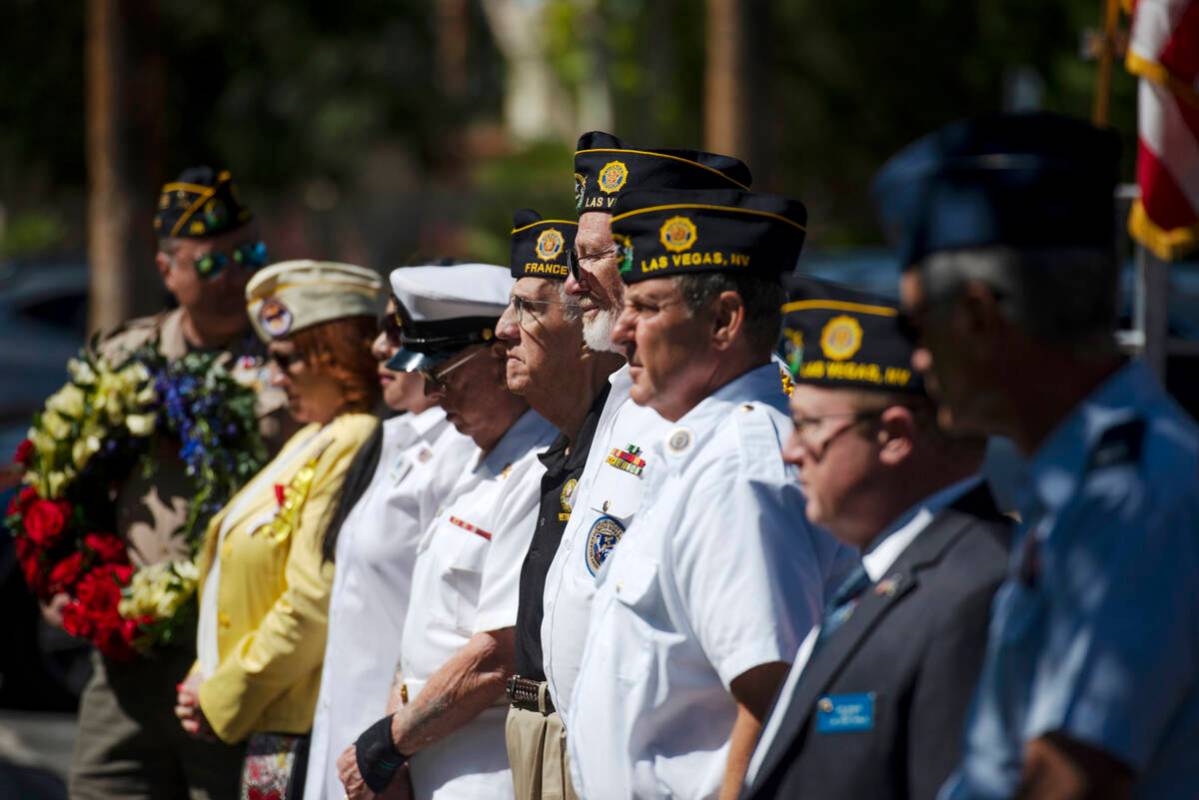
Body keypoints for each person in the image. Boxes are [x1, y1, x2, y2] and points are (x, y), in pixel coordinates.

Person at [874, 112, 1199, 799]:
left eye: (915, 326)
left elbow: (1066, 778)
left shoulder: (1133, 494)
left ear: (978, 315)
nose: (917, 359)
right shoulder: (1084, 481)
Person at [566, 188, 853, 800]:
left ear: (724, 320)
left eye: (645, 307)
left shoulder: (738, 471)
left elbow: (772, 696)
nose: (621, 328)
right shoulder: (702, 449)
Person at [66, 166, 290, 800]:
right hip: (131, 654)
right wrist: (68, 584)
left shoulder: (291, 365)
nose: (233, 277)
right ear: (168, 271)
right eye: (211, 263)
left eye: (247, 256)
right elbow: (58, 490)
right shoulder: (123, 359)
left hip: (240, 656)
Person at [741, 276, 1012, 800]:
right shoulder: (886, 576)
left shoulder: (973, 592)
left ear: (894, 437)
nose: (790, 451)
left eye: (812, 426)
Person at [541, 132, 756, 737]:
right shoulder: (625, 389)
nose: (573, 284)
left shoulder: (740, 423)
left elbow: (759, 677)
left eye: (596, 257)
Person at [338, 263, 557, 800]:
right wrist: (393, 747)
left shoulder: (538, 468)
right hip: (431, 763)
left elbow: (497, 654)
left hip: (485, 774)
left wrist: (388, 744)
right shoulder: (479, 461)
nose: (433, 397)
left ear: (497, 357)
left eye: (444, 376)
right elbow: (426, 627)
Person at [174, 260, 382, 794]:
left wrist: (224, 690)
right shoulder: (314, 434)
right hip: (274, 714)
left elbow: (312, 599)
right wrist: (208, 671)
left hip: (295, 718)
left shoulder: (353, 437)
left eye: (288, 359)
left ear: (333, 357)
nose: (274, 376)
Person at [302, 292, 475, 800]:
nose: (380, 348)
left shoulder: (457, 452)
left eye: (400, 335)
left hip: (395, 745)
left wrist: (390, 746)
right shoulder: (400, 439)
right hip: (351, 727)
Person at [494, 210, 622, 800]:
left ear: (584, 333)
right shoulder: (566, 445)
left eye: (527, 309)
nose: (501, 329)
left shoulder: (622, 443)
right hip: (539, 731)